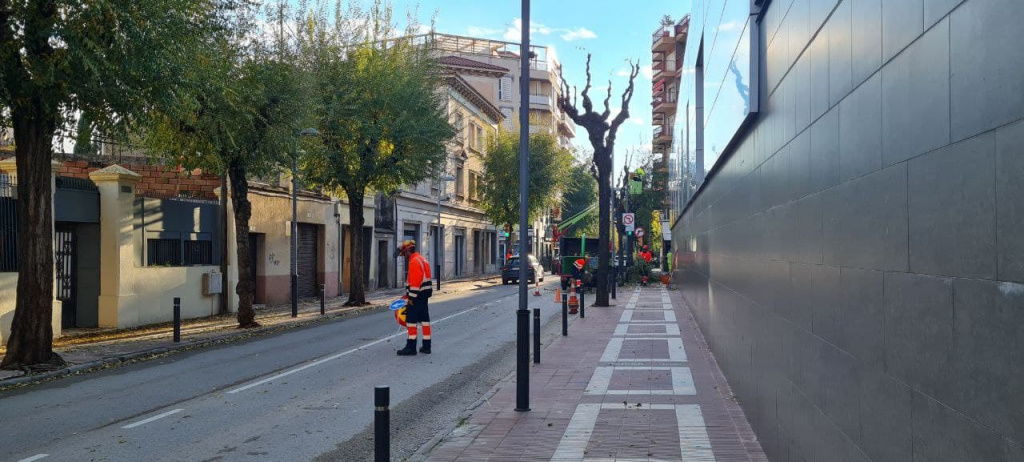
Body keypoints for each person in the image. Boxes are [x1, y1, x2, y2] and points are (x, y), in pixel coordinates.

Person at [396, 240, 434, 356]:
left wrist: (411, 298)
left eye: (404, 254)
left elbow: (415, 282)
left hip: (416, 296)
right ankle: (426, 346)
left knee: (411, 321)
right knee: (425, 321)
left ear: (408, 251)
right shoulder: (422, 259)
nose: (404, 257)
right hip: (424, 294)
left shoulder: (414, 262)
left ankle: (411, 347)